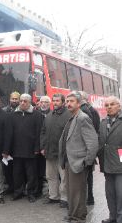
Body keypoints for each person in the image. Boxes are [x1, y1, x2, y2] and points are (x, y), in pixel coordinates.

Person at [59, 91, 98, 223]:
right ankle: (72, 214)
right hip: (70, 161)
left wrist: (87, 162)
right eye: (67, 101)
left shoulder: (83, 118)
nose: (68, 104)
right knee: (71, 191)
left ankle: (79, 217)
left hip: (79, 163)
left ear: (79, 103)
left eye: (71, 101)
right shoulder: (72, 117)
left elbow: (92, 143)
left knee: (78, 193)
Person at [4, 93, 43, 203]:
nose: (22, 103)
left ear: (30, 102)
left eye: (25, 101)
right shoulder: (13, 115)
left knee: (31, 174)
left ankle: (31, 193)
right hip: (16, 151)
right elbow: (9, 134)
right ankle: (18, 192)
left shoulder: (37, 115)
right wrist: (7, 150)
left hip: (31, 151)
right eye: (21, 100)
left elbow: (39, 132)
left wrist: (37, 148)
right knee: (17, 173)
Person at [40, 94, 71, 208]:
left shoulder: (68, 115)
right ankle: (53, 196)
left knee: (64, 177)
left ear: (63, 102)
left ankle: (64, 198)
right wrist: (42, 147)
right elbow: (43, 132)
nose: (55, 102)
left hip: (62, 153)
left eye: (57, 101)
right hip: (49, 152)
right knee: (50, 176)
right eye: (54, 101)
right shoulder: (49, 115)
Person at [99, 96, 122, 223]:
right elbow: (100, 141)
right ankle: (112, 217)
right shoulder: (103, 122)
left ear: (119, 106)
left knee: (121, 195)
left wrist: (121, 159)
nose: (109, 107)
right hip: (106, 164)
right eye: (107, 105)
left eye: (112, 104)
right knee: (110, 194)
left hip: (119, 165)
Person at [78, 90, 100, 205]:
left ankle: (89, 198)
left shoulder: (89, 111)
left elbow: (95, 131)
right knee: (87, 175)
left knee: (87, 175)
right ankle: (89, 198)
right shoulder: (89, 110)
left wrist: (92, 151)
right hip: (87, 149)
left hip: (87, 149)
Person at [2, 91, 20, 194]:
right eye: (12, 99)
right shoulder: (4, 111)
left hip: (18, 145)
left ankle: (18, 188)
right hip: (7, 145)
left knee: (17, 169)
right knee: (7, 169)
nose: (14, 101)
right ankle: (10, 187)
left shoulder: (21, 111)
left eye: (16, 99)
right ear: (9, 99)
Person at [36, 96, 51, 197]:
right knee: (39, 171)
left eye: (46, 102)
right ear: (39, 103)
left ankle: (52, 191)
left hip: (50, 148)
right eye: (42, 102)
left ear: (49, 104)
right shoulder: (35, 114)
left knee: (51, 172)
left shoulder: (53, 114)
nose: (44, 104)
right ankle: (38, 191)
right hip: (38, 148)